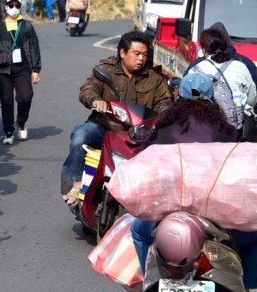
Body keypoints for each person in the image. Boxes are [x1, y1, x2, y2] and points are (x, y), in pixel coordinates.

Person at [130, 72, 257, 292]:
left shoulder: (164, 128)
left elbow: (146, 161)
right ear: (212, 99)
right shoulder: (225, 129)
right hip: (215, 211)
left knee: (140, 231)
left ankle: (147, 288)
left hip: (170, 211)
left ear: (179, 97)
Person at [59, 30, 173, 204]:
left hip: (138, 134)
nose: (141, 58)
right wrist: (96, 100)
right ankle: (76, 182)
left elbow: (164, 101)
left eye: (144, 54)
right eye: (136, 54)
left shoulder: (154, 78)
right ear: (122, 52)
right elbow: (87, 90)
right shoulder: (106, 70)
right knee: (81, 134)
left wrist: (165, 113)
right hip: (106, 127)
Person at [186, 25, 257, 136]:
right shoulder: (240, 66)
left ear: (204, 49)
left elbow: (188, 100)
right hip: (237, 130)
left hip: (203, 130)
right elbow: (252, 99)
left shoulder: (195, 70)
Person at [0, 0, 42, 145]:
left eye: (17, 6)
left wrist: (36, 69)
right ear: (5, 7)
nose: (14, 8)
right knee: (6, 100)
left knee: (25, 97)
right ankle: (8, 131)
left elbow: (34, 48)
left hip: (22, 68)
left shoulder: (26, 26)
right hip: (3, 70)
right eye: (11, 5)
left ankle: (21, 123)